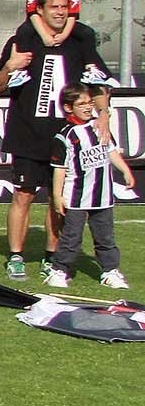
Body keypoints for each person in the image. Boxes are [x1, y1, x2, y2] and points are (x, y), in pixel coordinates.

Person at [0, 0, 117, 280]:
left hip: (68, 139)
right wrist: (9, 67)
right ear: (40, 10)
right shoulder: (24, 39)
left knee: (59, 199)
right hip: (28, 134)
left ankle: (53, 256)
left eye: (64, 7)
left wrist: (103, 115)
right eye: (54, 7)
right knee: (23, 195)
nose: (59, 13)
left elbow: (98, 84)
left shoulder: (80, 40)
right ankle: (16, 256)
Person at [49, 84, 134, 292]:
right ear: (68, 107)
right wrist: (57, 196)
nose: (88, 107)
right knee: (72, 237)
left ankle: (109, 271)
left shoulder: (99, 126)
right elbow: (59, 169)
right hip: (76, 196)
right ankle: (58, 270)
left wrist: (125, 170)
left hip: (102, 195)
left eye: (89, 102)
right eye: (81, 104)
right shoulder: (66, 135)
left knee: (105, 237)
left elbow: (111, 151)